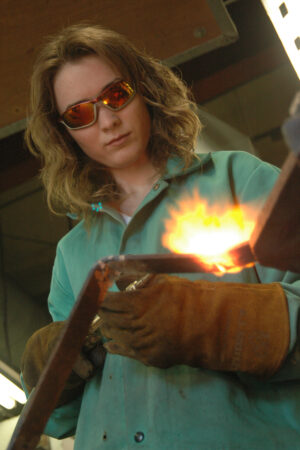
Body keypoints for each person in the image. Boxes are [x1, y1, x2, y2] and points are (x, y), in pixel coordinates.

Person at [21, 24, 300, 449]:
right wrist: (51, 374)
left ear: (144, 88)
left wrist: (208, 323)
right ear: (64, 134)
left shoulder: (237, 179)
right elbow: (62, 422)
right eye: (80, 113)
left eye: (115, 95)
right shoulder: (71, 254)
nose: (108, 120)